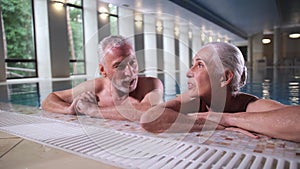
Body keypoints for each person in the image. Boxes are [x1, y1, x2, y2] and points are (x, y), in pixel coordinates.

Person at [140, 42, 300, 142]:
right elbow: (149, 119)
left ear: (224, 77)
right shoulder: (194, 100)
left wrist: (227, 119)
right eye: (192, 64)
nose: (189, 72)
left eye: (200, 65)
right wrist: (217, 125)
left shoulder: (249, 105)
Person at [42, 35, 163, 121]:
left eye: (132, 62)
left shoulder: (151, 85)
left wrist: (93, 110)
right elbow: (49, 100)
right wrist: (69, 109)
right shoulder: (96, 88)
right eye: (119, 66)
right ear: (103, 70)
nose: (129, 72)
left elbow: (150, 111)